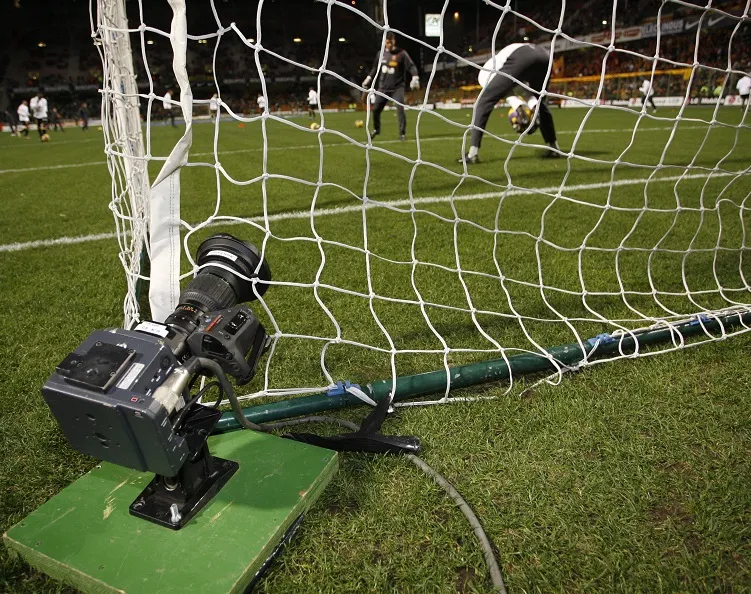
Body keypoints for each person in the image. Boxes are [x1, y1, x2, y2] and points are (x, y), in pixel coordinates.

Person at [458, 42, 560, 164]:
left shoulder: (483, 76)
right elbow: (523, 91)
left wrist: (516, 104)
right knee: (540, 102)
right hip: (545, 56)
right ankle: (553, 147)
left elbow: (500, 93)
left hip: (521, 57)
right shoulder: (500, 62)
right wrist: (532, 105)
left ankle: (472, 154)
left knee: (483, 102)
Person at [361, 32, 420, 141]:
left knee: (400, 109)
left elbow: (411, 66)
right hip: (383, 88)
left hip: (398, 88)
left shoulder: (402, 54)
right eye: (387, 42)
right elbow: (375, 68)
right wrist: (368, 78)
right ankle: (376, 129)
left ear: (394, 41)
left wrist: (415, 77)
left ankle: (402, 133)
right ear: (384, 42)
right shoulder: (380, 54)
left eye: (391, 42)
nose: (389, 44)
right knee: (376, 110)